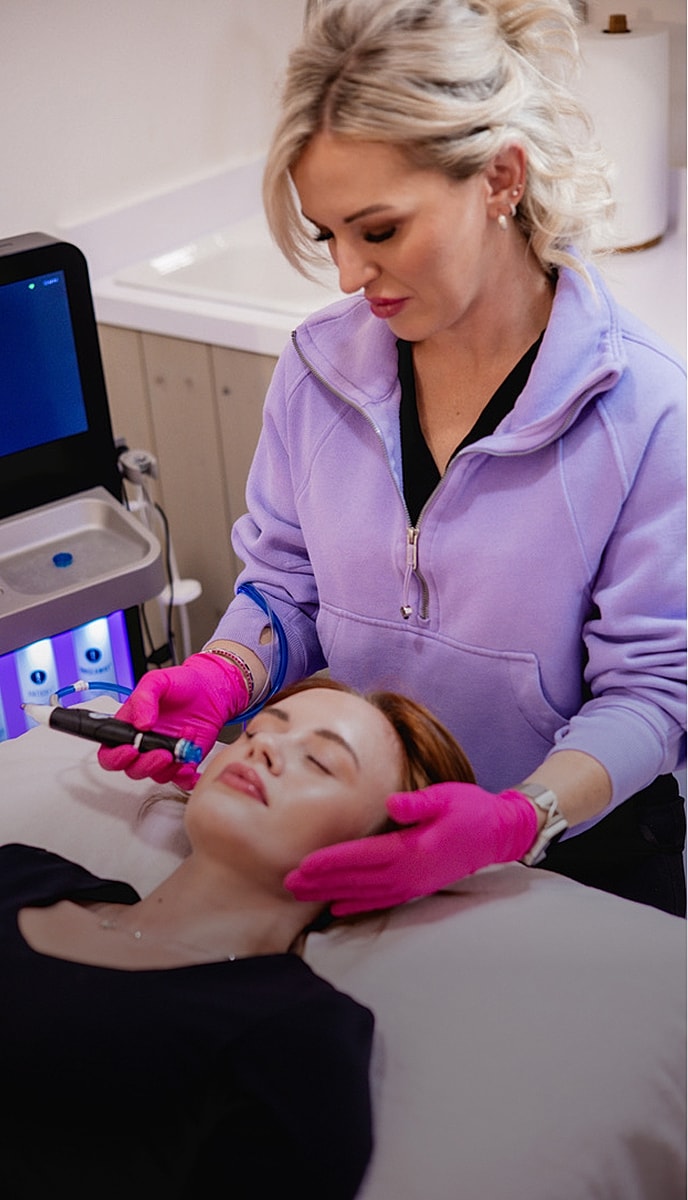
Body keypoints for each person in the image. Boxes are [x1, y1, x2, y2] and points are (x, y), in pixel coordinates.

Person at [99, 0, 686, 916]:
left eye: (378, 231)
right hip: (367, 837)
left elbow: (653, 691)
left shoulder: (641, 407)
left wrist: (516, 818)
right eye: (326, 234)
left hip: (574, 854)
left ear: (500, 178)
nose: (347, 275)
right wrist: (224, 672)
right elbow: (288, 586)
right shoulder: (317, 372)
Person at [0, 678, 476, 1200]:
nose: (263, 745)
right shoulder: (21, 873)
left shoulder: (298, 1040)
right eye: (254, 732)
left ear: (380, 854)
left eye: (319, 761)